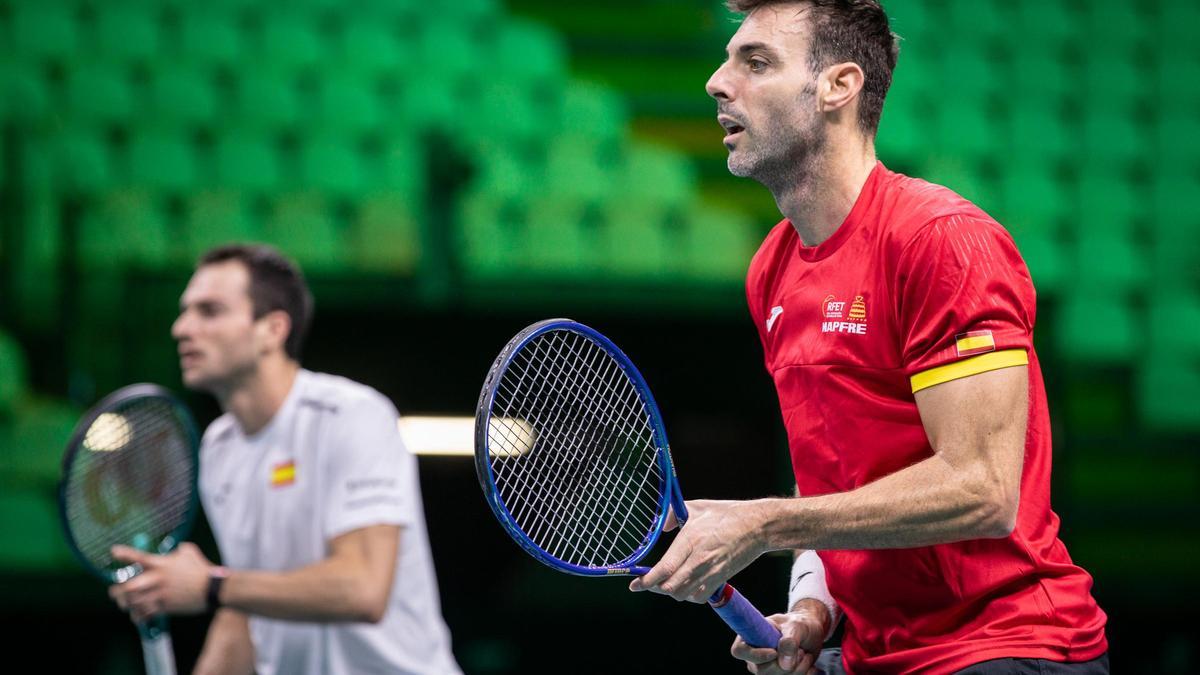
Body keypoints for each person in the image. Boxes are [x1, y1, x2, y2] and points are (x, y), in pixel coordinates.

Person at [629, 2, 1109, 673]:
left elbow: (984, 488)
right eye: (727, 58)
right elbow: (830, 481)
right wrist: (808, 613)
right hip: (872, 652)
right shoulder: (773, 269)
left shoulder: (940, 241)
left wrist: (763, 523)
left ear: (838, 87)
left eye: (755, 61)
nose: (717, 81)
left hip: (1004, 646)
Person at [108, 244, 461, 675]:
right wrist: (219, 592)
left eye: (210, 311)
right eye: (184, 312)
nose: (182, 328)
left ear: (271, 330)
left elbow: (364, 590)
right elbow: (241, 614)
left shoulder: (353, 416)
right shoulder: (220, 449)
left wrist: (210, 585)